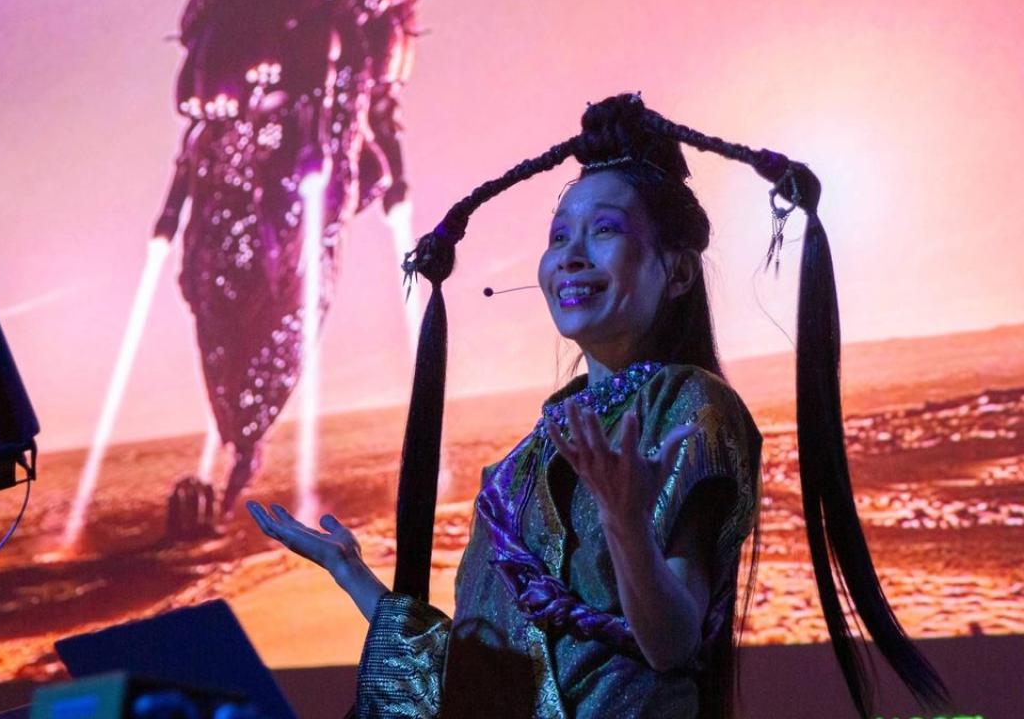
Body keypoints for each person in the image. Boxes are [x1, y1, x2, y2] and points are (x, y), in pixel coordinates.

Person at [247, 94, 948, 718]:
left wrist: (625, 523)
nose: (570, 256)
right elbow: (477, 680)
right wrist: (354, 577)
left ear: (675, 270)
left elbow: (672, 644)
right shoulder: (524, 460)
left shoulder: (693, 406)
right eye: (559, 238)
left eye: (603, 231)